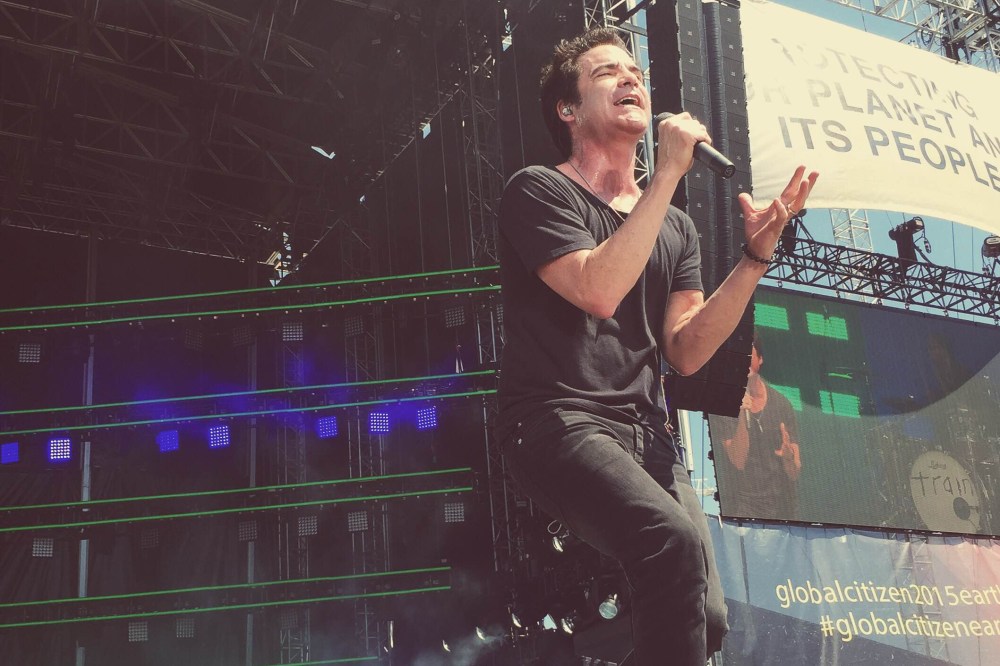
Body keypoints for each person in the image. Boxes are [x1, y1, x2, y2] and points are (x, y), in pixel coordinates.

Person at [495, 27, 817, 666]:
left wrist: (754, 257)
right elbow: (597, 289)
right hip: (556, 419)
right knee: (667, 542)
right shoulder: (538, 190)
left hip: (647, 434)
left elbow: (687, 351)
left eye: (635, 71)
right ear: (568, 109)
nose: (630, 78)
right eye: (607, 72)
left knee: (708, 619)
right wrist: (668, 170)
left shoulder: (676, 225)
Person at [716, 336, 802, 520]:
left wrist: (788, 457)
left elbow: (794, 471)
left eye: (749, 355)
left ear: (760, 359)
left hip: (783, 510)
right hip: (744, 509)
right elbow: (738, 460)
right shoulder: (724, 404)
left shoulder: (782, 404)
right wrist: (741, 417)